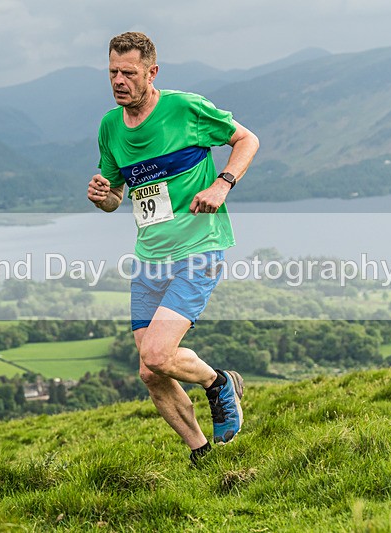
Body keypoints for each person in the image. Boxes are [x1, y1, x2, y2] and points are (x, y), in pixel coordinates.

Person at [86, 32, 259, 464]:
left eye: (129, 72)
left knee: (158, 353)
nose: (119, 81)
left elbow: (247, 140)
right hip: (150, 258)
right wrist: (103, 196)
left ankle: (218, 382)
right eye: (113, 72)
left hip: (198, 247)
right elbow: (117, 196)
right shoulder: (110, 126)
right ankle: (202, 452)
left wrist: (222, 184)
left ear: (152, 72)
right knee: (151, 370)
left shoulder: (185, 108)